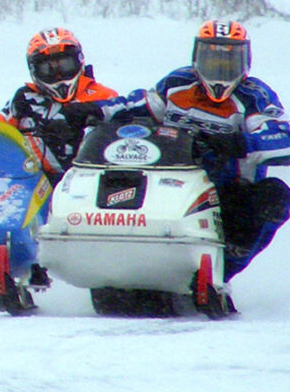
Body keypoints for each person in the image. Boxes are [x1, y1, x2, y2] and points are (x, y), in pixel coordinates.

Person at [63, 20, 290, 281]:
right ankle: (101, 244)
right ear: (197, 56)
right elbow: (137, 103)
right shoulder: (177, 83)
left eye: (228, 61)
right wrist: (93, 110)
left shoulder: (255, 96)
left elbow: (281, 135)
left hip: (227, 189)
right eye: (211, 58)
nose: (219, 69)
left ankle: (228, 261)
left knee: (275, 195)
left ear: (244, 60)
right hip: (169, 179)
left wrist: (242, 144)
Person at [0, 27, 117, 184]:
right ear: (34, 70)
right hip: (37, 184)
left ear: (79, 61)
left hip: (90, 183)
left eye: (65, 65)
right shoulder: (25, 98)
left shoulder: (105, 96)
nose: (58, 74)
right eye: (48, 69)